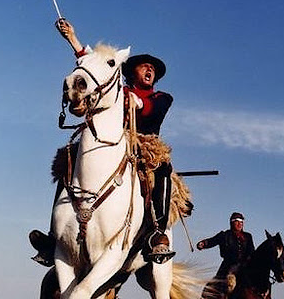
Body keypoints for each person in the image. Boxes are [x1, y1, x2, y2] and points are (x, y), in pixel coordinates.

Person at [29, 18, 176, 266]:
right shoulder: (115, 87)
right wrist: (72, 38)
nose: (149, 71)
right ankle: (54, 237)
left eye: (152, 69)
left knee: (162, 168)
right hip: (108, 140)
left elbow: (150, 107)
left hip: (144, 146)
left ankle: (157, 233)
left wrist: (134, 102)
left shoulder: (163, 97)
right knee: (68, 159)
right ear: (132, 72)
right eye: (144, 67)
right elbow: (94, 65)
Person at [196, 212, 255, 298]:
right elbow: (212, 241)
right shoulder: (224, 235)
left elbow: (252, 252)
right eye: (237, 221)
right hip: (227, 267)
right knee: (213, 289)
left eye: (241, 222)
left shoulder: (248, 236)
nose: (240, 224)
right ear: (232, 223)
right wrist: (203, 244)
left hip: (244, 267)